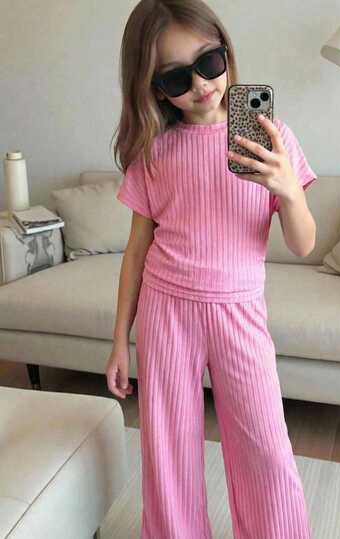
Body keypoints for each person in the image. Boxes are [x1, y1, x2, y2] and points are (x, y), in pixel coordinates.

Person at [106, 1, 317, 537]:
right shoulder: (153, 152)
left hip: (240, 311)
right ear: (155, 89)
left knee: (265, 448)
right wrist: (119, 341)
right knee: (168, 451)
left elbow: (303, 244)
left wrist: (289, 191)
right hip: (166, 311)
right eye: (177, 77)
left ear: (226, 51)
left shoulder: (270, 136)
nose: (201, 84)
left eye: (209, 62)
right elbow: (136, 251)